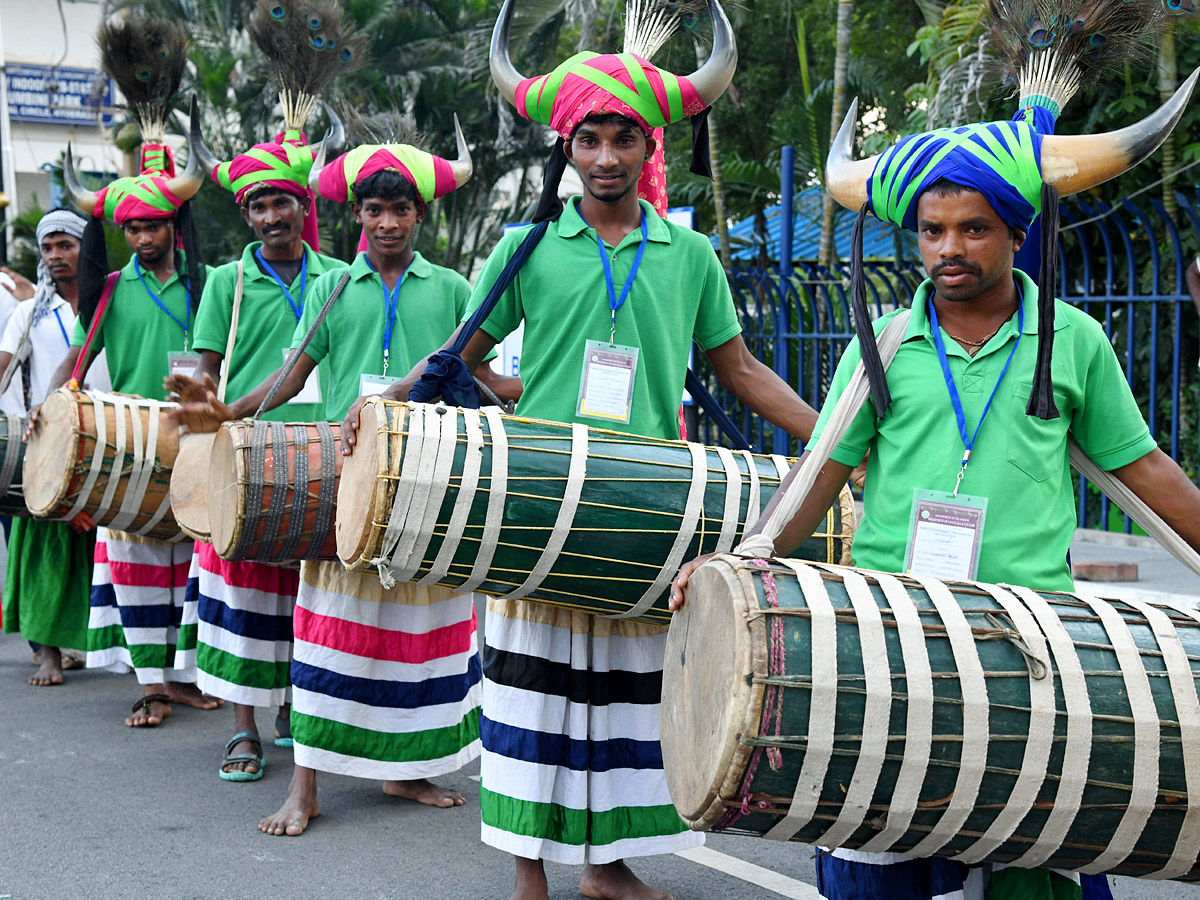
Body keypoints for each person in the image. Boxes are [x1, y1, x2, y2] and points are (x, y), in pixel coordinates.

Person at [672, 26, 1200, 900]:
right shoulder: (882, 344)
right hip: (891, 638)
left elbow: (1147, 474)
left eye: (974, 229)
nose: (949, 249)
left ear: (1016, 232)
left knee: (1039, 869)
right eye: (931, 231)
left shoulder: (1074, 342)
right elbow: (818, 480)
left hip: (1037, 644)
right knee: (878, 865)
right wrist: (745, 556)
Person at [350, 4, 816, 897]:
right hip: (536, 497)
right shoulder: (529, 248)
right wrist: (386, 407)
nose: (607, 156)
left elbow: (742, 370)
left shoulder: (691, 255)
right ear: (566, 148)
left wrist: (837, 445)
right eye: (590, 138)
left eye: (624, 139)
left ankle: (606, 868)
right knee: (531, 693)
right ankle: (530, 870)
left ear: (650, 150)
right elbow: (466, 354)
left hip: (650, 502)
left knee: (627, 698)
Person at [172, 133, 512, 835]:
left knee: (425, 629)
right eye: (373, 211)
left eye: (399, 210)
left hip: (430, 475)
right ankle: (306, 786)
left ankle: (406, 771)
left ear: (420, 216)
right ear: (357, 216)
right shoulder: (330, 287)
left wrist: (531, 386)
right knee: (325, 632)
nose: (386, 223)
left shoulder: (454, 287)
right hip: (345, 474)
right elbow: (294, 371)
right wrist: (231, 418)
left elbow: (477, 375)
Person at [177, 98, 348, 779]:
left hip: (318, 453)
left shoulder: (339, 278)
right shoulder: (226, 280)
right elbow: (202, 371)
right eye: (258, 206)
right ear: (245, 215)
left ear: (304, 205)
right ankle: (243, 726)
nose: (273, 217)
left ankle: (295, 710)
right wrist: (195, 411)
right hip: (244, 455)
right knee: (243, 593)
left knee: (310, 591)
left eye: (283, 202)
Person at [53, 21, 214, 727]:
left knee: (192, 559)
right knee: (139, 564)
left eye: (153, 226)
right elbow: (83, 354)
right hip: (130, 437)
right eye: (132, 229)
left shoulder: (207, 284)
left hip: (196, 435)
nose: (143, 237)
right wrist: (58, 398)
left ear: (174, 226)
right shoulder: (114, 285)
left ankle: (184, 677)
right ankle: (151, 684)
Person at [0, 209, 109, 686]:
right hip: (45, 439)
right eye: (48, 248)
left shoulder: (110, 299)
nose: (56, 256)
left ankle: (98, 643)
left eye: (66, 245)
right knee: (42, 547)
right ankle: (47, 652)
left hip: (109, 435)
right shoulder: (29, 313)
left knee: (101, 544)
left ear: (85, 248)